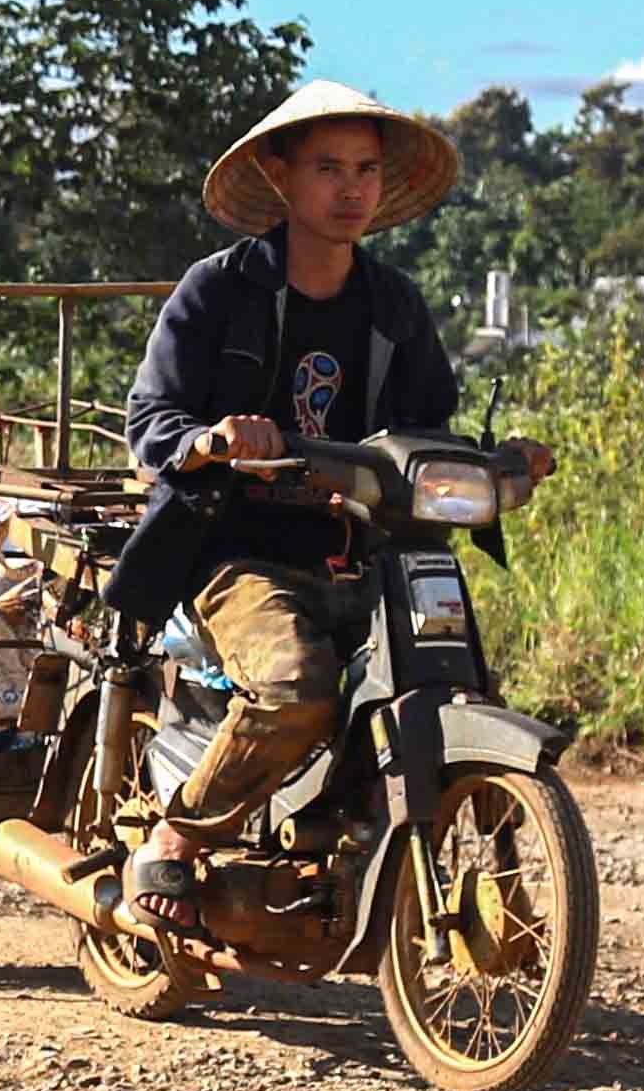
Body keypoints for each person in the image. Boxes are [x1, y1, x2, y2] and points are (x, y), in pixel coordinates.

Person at [112, 80, 462, 916]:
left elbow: (432, 428)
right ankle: (178, 837)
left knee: (449, 683)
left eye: (367, 170)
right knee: (299, 687)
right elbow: (150, 418)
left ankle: (365, 842)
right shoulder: (217, 290)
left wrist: (506, 462)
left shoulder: (395, 304)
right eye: (328, 168)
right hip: (237, 553)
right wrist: (212, 440)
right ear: (280, 176)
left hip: (367, 554)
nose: (351, 189)